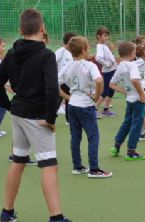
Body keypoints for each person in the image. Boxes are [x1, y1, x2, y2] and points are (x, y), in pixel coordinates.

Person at [0, 8, 70, 222]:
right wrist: (51, 118)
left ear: (20, 30)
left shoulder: (12, 53)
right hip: (37, 117)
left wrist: (8, 105)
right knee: (49, 165)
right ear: (42, 29)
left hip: (19, 113)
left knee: (18, 161)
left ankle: (7, 212)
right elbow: (53, 89)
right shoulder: (46, 55)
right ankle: (56, 217)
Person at [59, 36, 112, 178]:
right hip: (86, 106)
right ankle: (94, 169)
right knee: (93, 136)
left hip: (72, 105)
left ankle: (77, 166)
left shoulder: (67, 66)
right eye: (88, 48)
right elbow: (99, 80)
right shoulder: (89, 65)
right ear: (83, 50)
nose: (89, 50)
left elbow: (55, 84)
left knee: (75, 137)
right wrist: (97, 96)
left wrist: (68, 97)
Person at [109, 41, 145, 161]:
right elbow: (135, 80)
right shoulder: (132, 65)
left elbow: (112, 84)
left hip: (130, 99)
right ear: (132, 53)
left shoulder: (120, 65)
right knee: (136, 125)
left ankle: (116, 146)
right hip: (137, 99)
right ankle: (131, 152)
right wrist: (141, 93)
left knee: (127, 123)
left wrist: (126, 92)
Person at [95, 26, 118, 117]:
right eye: (105, 36)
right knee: (106, 91)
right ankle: (94, 108)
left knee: (111, 90)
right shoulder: (100, 46)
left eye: (107, 36)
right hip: (108, 71)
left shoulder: (104, 45)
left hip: (112, 70)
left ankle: (106, 109)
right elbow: (98, 58)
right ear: (99, 36)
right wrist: (106, 64)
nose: (107, 38)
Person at [55, 32, 77, 122]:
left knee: (69, 99)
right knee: (57, 100)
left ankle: (69, 119)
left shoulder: (73, 52)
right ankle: (49, 116)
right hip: (61, 81)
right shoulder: (61, 51)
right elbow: (53, 62)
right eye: (74, 40)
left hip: (70, 80)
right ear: (69, 41)